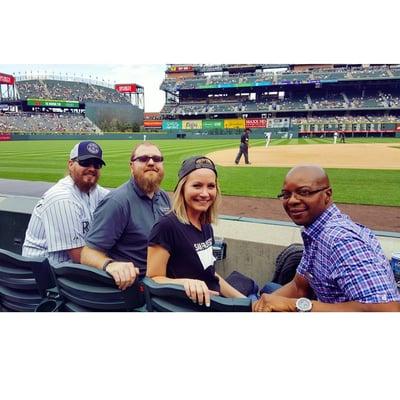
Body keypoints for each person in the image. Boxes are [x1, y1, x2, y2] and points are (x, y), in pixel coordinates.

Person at [253, 165, 400, 312]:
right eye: (286, 194)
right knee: (268, 292)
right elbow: (299, 287)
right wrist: (259, 307)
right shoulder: (315, 232)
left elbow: (387, 310)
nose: (292, 201)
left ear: (327, 195)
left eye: (304, 192)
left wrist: (293, 305)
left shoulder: (341, 240)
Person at [147, 156, 246, 307]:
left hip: (215, 300)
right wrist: (186, 283)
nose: (205, 193)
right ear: (183, 188)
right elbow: (153, 278)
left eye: (211, 186)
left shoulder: (205, 224)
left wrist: (246, 301)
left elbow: (210, 274)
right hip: (189, 307)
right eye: (197, 186)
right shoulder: (166, 226)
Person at [80, 142, 171, 290]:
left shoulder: (163, 197)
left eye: (157, 158)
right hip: (137, 287)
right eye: (143, 159)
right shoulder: (117, 202)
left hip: (164, 278)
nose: (151, 162)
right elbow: (88, 254)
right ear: (131, 167)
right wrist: (111, 265)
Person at [22, 141, 109, 265]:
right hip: (41, 273)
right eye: (85, 163)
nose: (92, 169)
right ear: (70, 164)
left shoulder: (94, 190)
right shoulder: (62, 198)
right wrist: (111, 264)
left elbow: (117, 200)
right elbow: (78, 255)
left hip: (65, 267)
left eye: (97, 165)